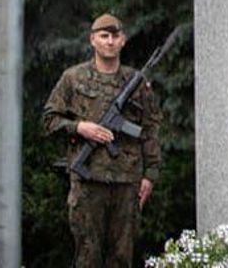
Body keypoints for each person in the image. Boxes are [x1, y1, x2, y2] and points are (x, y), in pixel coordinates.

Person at [43, 13, 162, 268]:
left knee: (121, 257)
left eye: (115, 36)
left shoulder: (136, 83)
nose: (110, 41)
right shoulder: (73, 78)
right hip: (87, 183)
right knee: (87, 256)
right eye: (104, 36)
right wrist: (80, 127)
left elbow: (150, 128)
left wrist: (150, 175)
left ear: (123, 41)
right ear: (93, 40)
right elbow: (49, 121)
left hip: (127, 183)